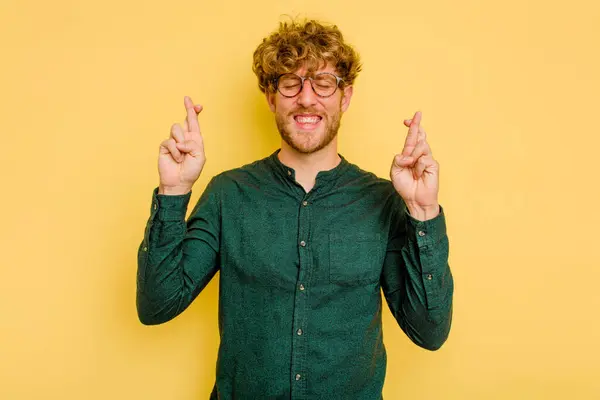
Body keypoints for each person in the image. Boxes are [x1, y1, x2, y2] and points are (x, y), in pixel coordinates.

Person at [137, 18, 454, 400]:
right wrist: (174, 192)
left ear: (345, 96)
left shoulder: (383, 201)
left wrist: (424, 213)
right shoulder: (228, 194)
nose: (307, 98)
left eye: (323, 83)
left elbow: (429, 331)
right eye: (290, 82)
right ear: (271, 97)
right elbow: (156, 305)